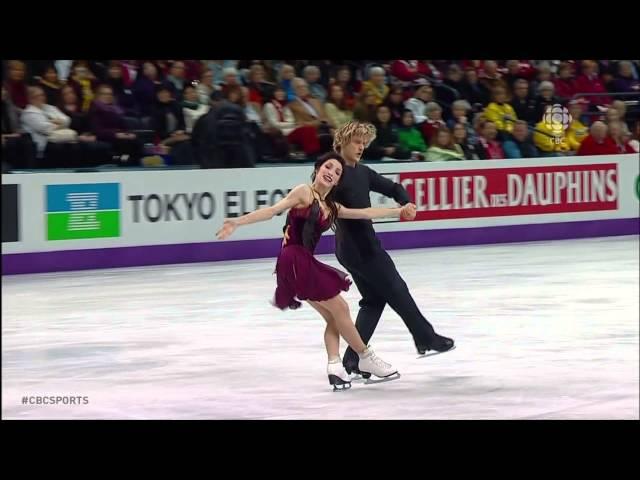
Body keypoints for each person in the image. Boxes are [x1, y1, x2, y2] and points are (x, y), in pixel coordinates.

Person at [216, 153, 405, 390]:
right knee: (342, 309)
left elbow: (364, 213)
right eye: (328, 166)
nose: (331, 173)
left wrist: (398, 212)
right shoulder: (304, 192)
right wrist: (238, 222)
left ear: (337, 182)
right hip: (295, 258)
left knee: (334, 318)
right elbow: (274, 210)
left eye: (337, 173)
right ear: (317, 169)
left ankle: (335, 367)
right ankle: (366, 357)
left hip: (299, 263)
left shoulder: (331, 207)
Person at [330, 121, 455, 377]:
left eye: (364, 143)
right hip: (360, 248)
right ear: (342, 141)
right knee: (397, 289)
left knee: (374, 301)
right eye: (356, 141)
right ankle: (426, 337)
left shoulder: (363, 172)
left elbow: (393, 187)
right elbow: (323, 194)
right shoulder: (333, 170)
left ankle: (352, 359)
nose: (361, 147)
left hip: (353, 248)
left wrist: (406, 202)